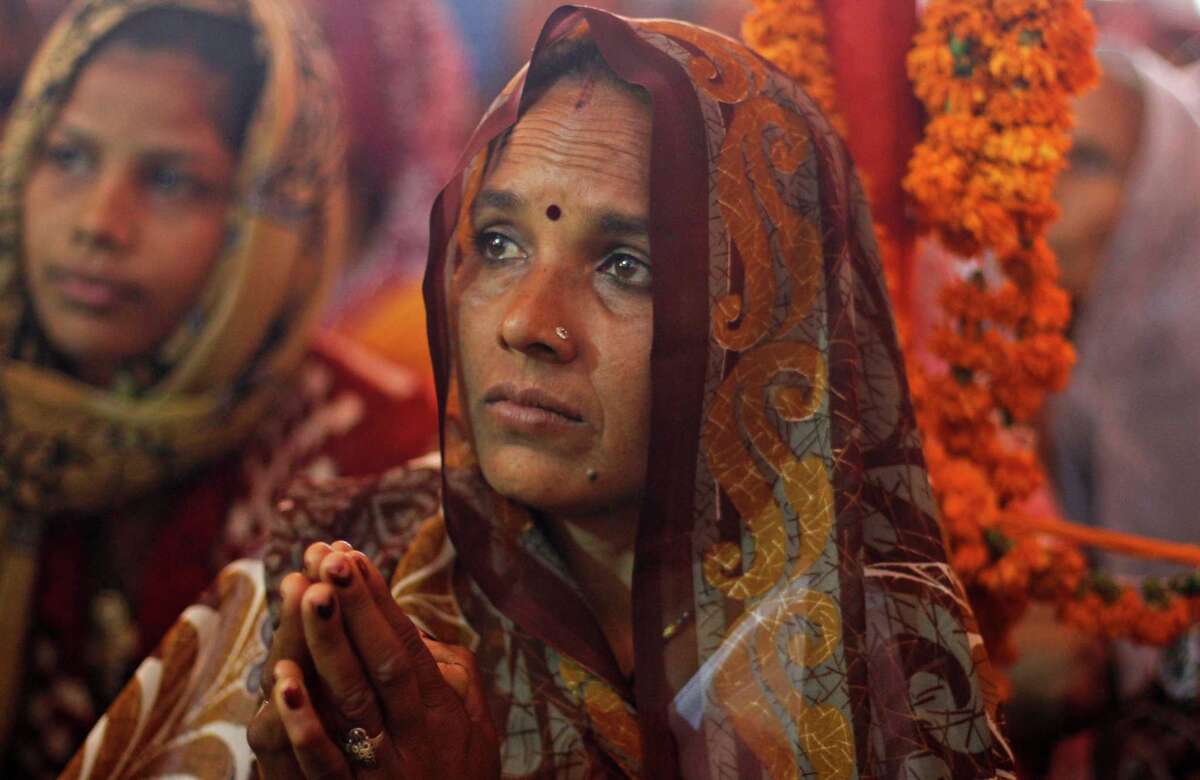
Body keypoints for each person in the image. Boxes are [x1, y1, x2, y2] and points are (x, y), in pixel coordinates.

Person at [65, 7, 1014, 777]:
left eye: (627, 264)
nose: (527, 322)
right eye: (501, 244)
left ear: (765, 318)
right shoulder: (356, 582)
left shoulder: (883, 664)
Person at [0, 0, 436, 774]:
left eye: (171, 179)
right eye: (67, 157)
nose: (99, 222)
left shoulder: (382, 456)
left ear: (269, 210)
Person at [1033, 43, 1200, 778]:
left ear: (1164, 197)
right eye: (1028, 156)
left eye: (1086, 161)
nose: (1038, 192)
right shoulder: (982, 357)